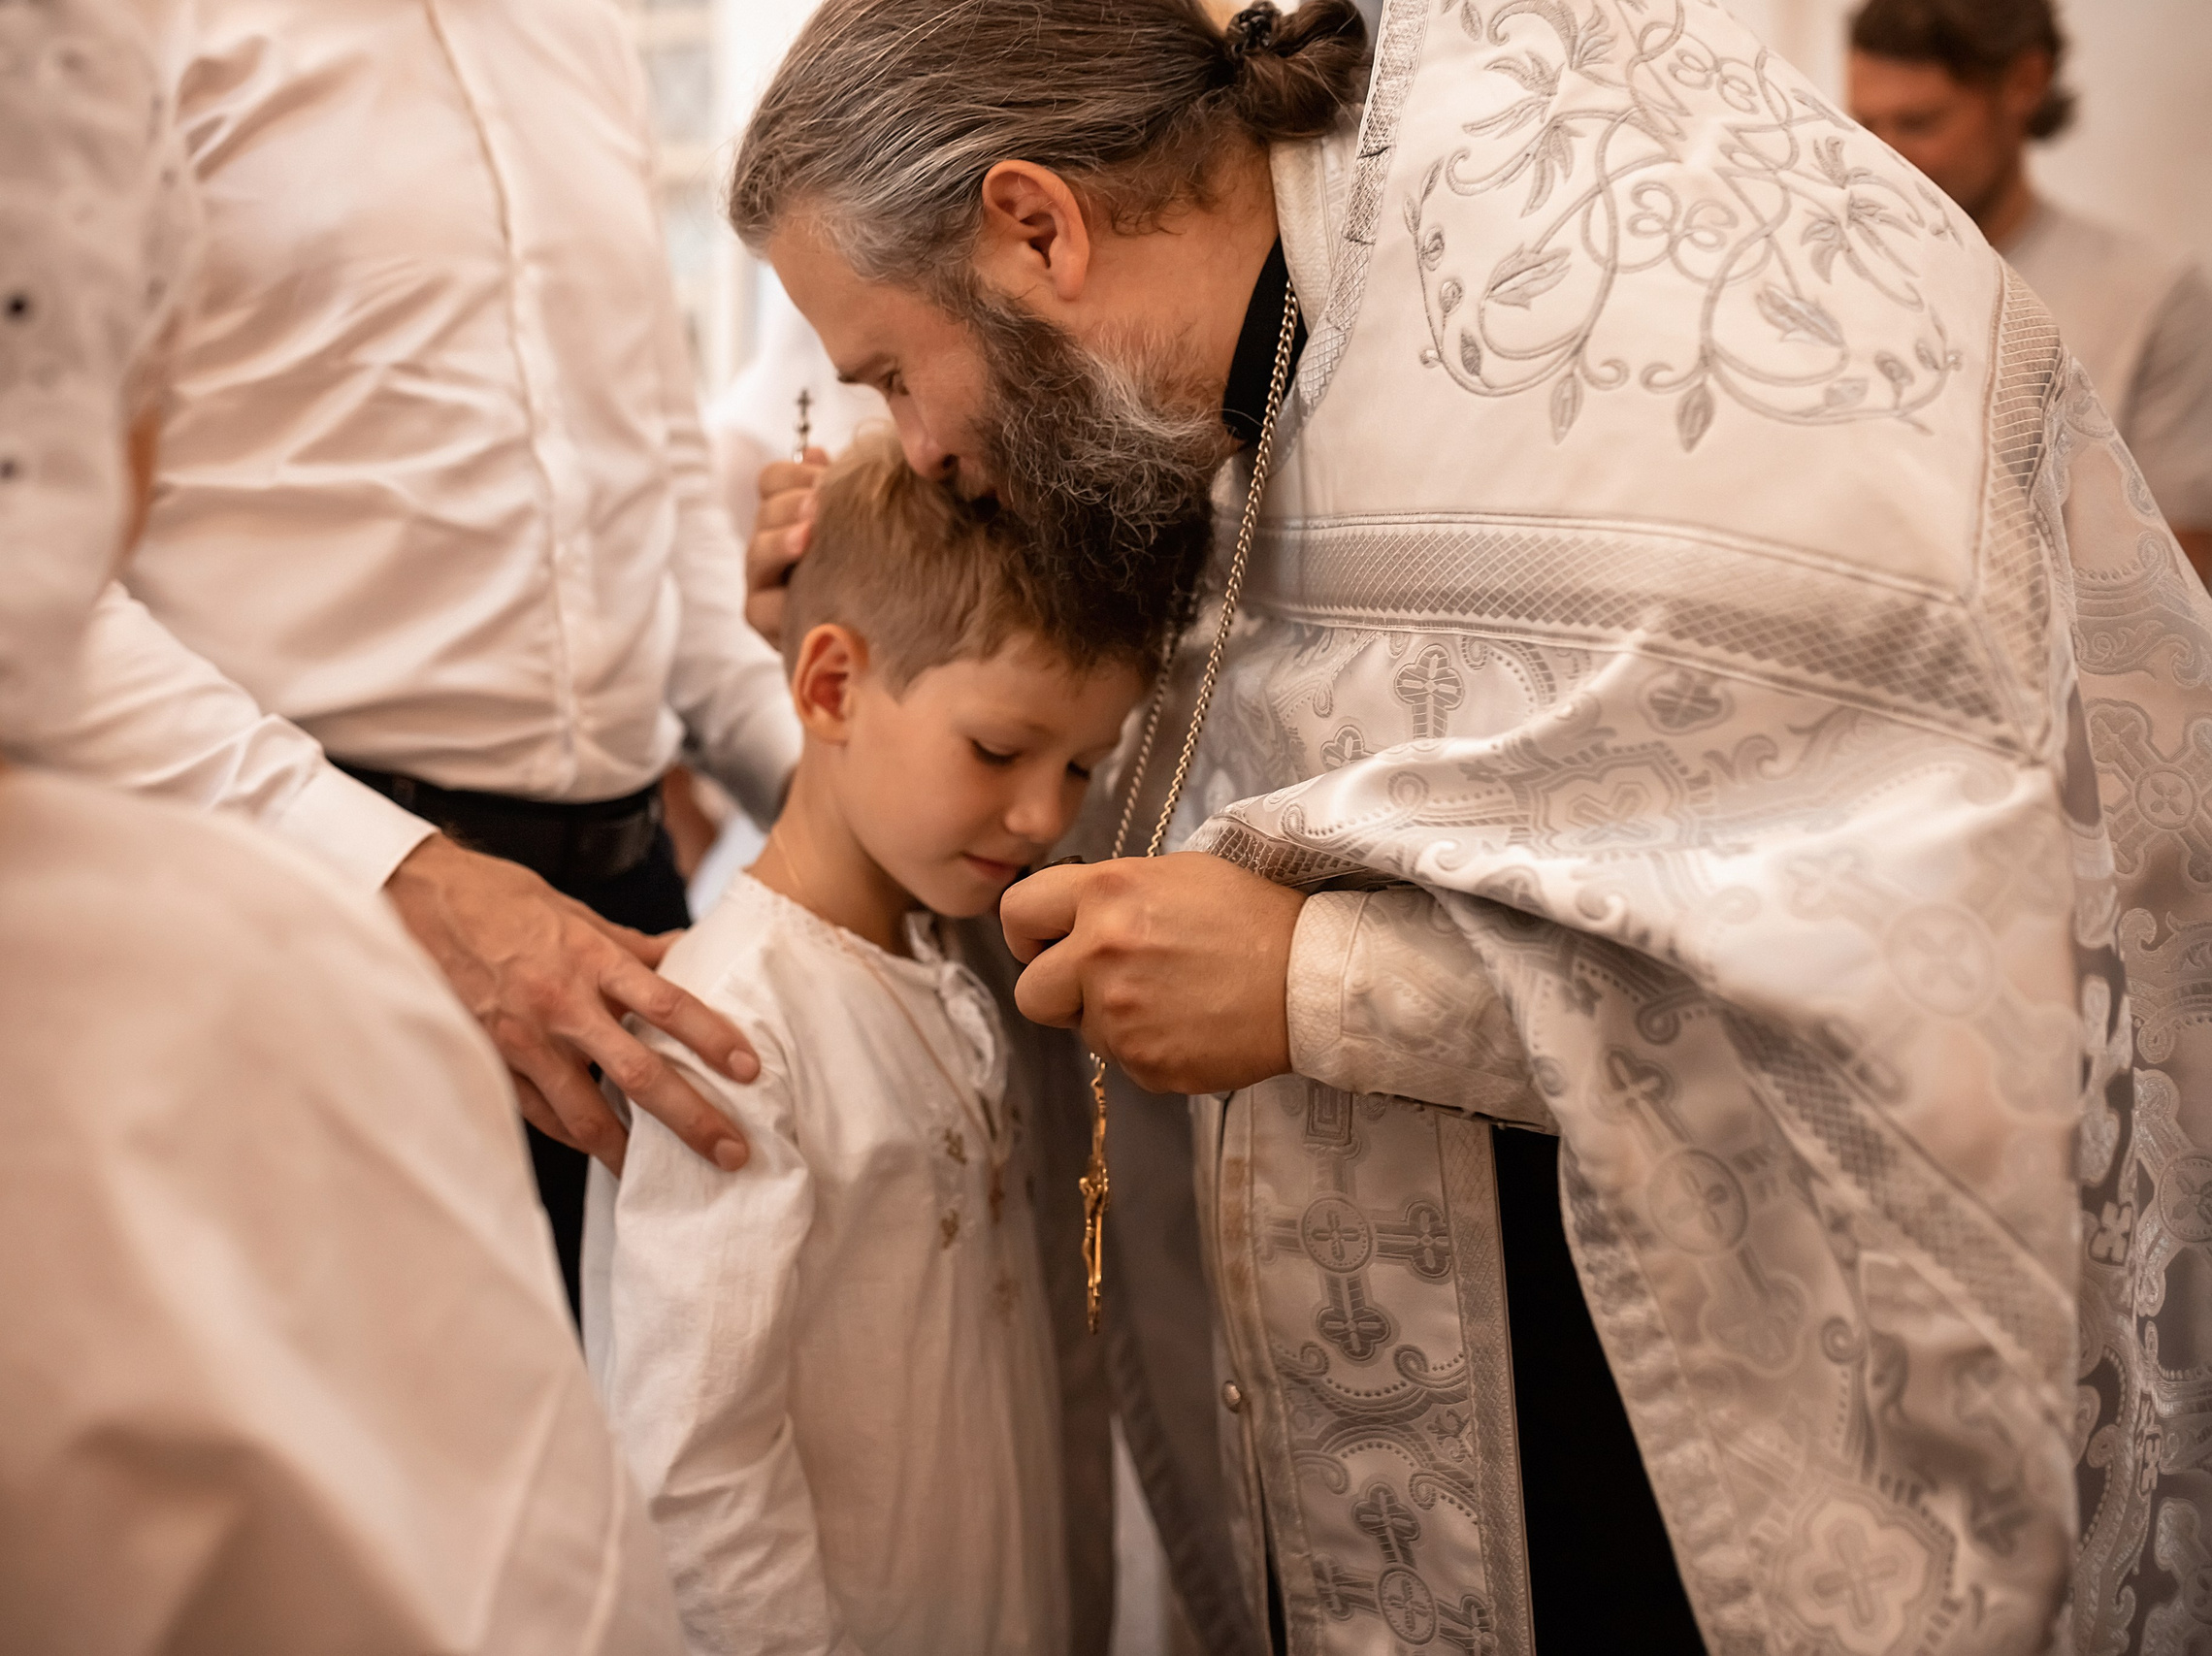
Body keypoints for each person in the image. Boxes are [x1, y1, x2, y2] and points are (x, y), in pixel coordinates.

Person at [732, 0, 2212, 1650]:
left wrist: (1324, 983)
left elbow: (1950, 977)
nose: (916, 448)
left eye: (886, 374)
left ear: (1035, 225)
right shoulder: (1210, 344)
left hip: (1670, 1461)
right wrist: (872, 647)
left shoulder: (1638, 304)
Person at [0, 7, 682, 1651]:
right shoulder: (241, 1015)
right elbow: (535, 1601)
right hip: (321, 860)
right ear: (120, 420)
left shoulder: (580, 37)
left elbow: (659, 463)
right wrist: (374, 876)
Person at [7, 0, 802, 1307]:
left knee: (652, 1474)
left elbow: (655, 494)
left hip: (627, 925)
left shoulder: (580, 29)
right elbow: (21, 569)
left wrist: (840, 807)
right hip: (290, 919)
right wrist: (398, 875)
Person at [583, 431, 1157, 1656]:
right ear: (831, 685)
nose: (1045, 814)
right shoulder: (735, 1028)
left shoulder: (939, 958)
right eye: (999, 750)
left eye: (1080, 766)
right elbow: (696, 1469)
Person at [1849, 0, 2212, 583]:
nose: (1885, 158)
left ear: (2025, 84)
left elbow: (2178, 577)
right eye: (1864, 125)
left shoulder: (2151, 296)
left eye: (1920, 123)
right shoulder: (1832, 275)